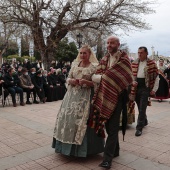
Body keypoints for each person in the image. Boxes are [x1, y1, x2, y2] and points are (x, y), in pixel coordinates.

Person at [88, 36, 133, 169]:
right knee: (108, 125)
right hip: (103, 97)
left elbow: (127, 77)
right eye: (107, 43)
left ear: (118, 44)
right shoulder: (104, 59)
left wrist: (104, 78)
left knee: (112, 128)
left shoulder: (124, 60)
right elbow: (94, 76)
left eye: (112, 43)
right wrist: (105, 78)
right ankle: (116, 150)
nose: (109, 45)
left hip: (118, 97)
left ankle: (107, 159)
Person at [52, 44, 104, 157]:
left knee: (83, 121)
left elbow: (97, 83)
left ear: (90, 54)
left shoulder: (94, 66)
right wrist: (72, 81)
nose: (82, 55)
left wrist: (86, 82)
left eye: (85, 53)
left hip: (86, 97)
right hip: (71, 96)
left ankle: (85, 150)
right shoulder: (75, 64)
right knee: (68, 119)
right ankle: (65, 148)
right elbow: (68, 78)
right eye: (80, 53)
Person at [129, 46, 159, 137]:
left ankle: (139, 128)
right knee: (139, 105)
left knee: (142, 108)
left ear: (146, 53)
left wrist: (154, 89)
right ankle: (144, 120)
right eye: (138, 52)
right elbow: (130, 75)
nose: (139, 54)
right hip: (136, 87)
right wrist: (132, 82)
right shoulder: (134, 63)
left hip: (145, 88)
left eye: (141, 53)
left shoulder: (151, 64)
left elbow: (157, 77)